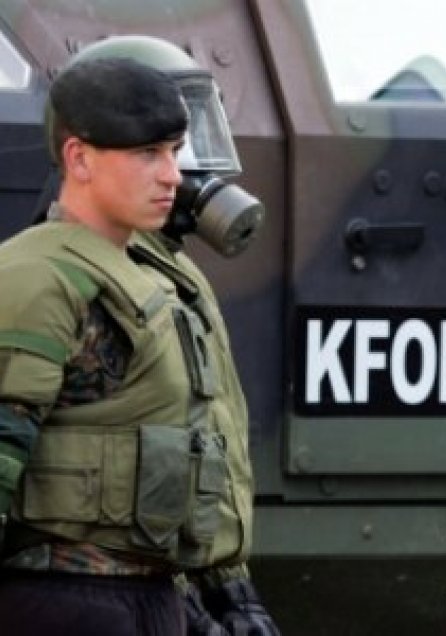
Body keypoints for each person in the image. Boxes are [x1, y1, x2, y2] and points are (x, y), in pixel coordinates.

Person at [0, 52, 277, 635]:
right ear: (79, 158)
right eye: (148, 153)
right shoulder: (37, 277)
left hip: (148, 598)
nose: (173, 175)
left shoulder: (158, 280)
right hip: (63, 601)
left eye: (174, 151)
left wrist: (222, 593)